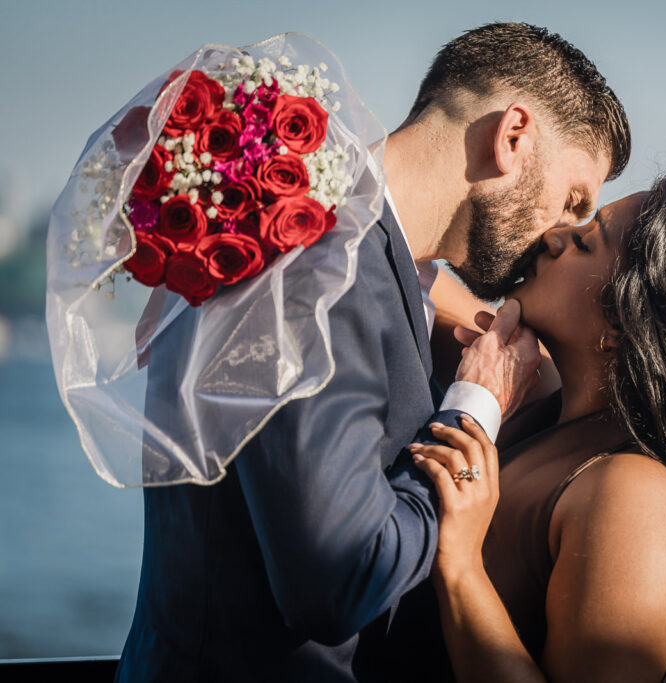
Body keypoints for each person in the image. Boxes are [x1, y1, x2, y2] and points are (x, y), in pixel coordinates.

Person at [116, 23, 630, 682]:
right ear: (513, 137)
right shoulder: (324, 261)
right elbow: (339, 582)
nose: (559, 233)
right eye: (574, 200)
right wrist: (472, 409)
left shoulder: (333, 238)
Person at [411, 175, 666, 681]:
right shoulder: (533, 393)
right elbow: (398, 258)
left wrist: (461, 565)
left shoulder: (634, 499)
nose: (553, 236)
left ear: (623, 322)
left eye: (582, 241)